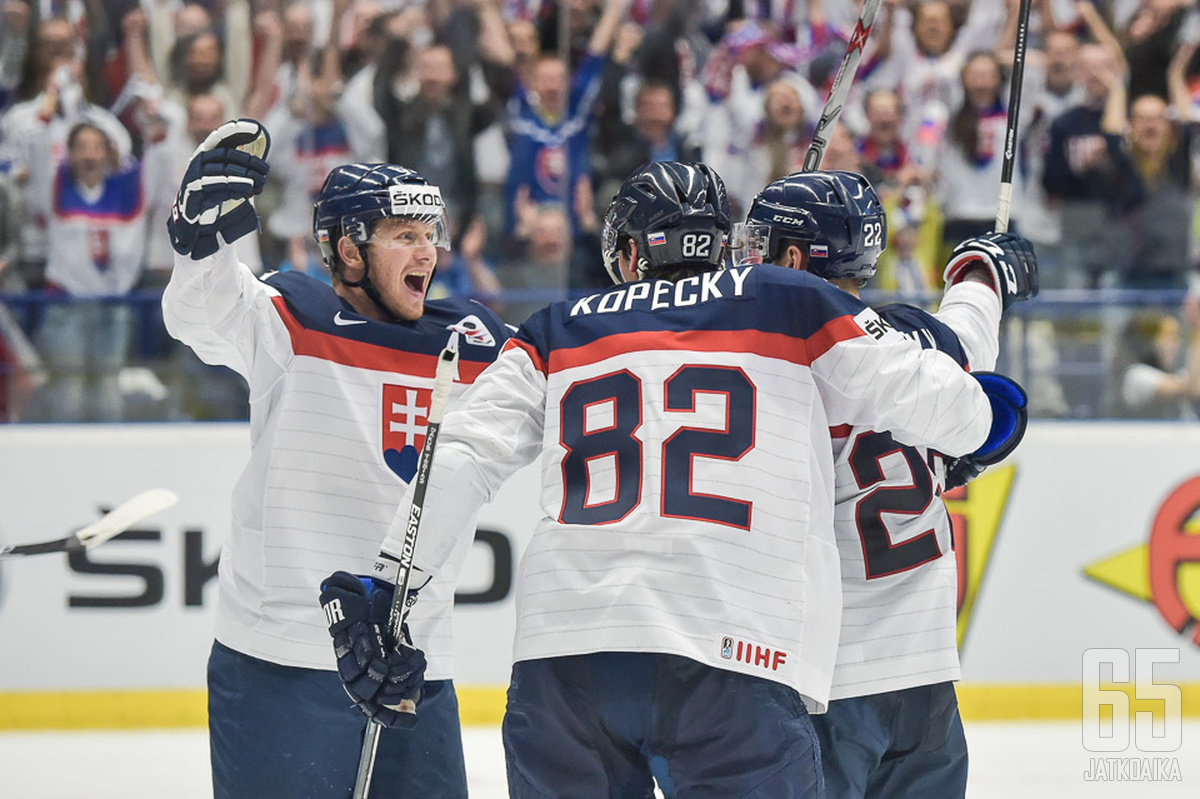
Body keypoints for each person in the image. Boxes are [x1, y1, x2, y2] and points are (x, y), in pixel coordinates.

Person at [321, 161, 1020, 797]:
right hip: (733, 654)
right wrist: (988, 418)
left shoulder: (554, 327)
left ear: (628, 253)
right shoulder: (790, 299)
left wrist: (389, 585)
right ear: (720, 245)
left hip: (566, 659)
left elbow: (463, 454)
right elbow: (943, 400)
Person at [162, 119, 510, 798]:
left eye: (429, 234)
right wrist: (196, 236)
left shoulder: (471, 344)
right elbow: (200, 312)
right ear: (348, 250)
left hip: (415, 668)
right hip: (280, 660)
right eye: (404, 235)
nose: (428, 251)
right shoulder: (290, 319)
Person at [733, 170, 1037, 798]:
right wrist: (981, 273)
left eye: (762, 241)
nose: (747, 252)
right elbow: (969, 341)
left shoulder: (761, 359)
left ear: (794, 256)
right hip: (926, 679)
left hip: (826, 682)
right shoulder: (913, 345)